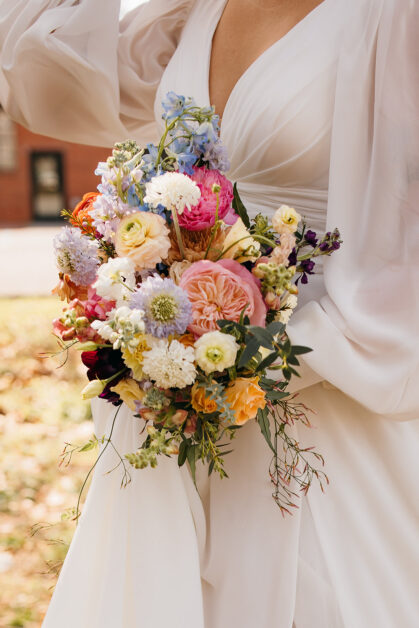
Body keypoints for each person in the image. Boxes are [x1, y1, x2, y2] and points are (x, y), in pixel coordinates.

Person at [1, 0, 418, 626]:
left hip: (330, 390)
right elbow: (42, 73)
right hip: (176, 403)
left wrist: (254, 360)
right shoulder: (191, 14)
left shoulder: (391, 16)